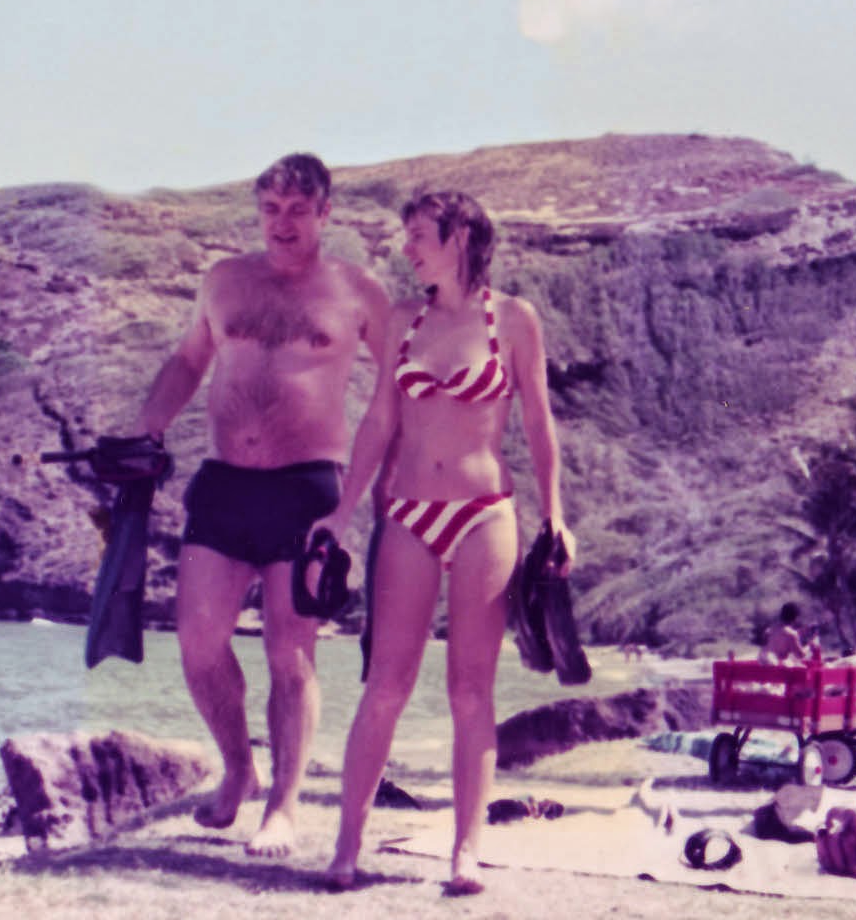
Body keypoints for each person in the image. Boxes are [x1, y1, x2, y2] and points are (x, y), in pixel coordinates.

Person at [317, 189, 575, 894]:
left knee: (470, 691)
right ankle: (345, 847)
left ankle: (466, 852)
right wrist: (341, 512)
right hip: (408, 514)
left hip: (484, 513)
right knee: (384, 686)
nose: (406, 248)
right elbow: (378, 421)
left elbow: (539, 423)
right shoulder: (404, 319)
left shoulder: (514, 320)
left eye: (418, 235)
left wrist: (555, 514)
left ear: (460, 236)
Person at [133, 152, 390, 858]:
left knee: (289, 651)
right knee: (197, 639)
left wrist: (360, 497)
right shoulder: (224, 280)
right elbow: (189, 361)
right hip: (224, 484)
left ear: (325, 213)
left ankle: (283, 805)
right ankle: (238, 769)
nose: (282, 223)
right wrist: (149, 427)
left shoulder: (357, 292)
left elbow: (396, 391)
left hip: (306, 489)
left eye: (298, 211)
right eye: (271, 209)